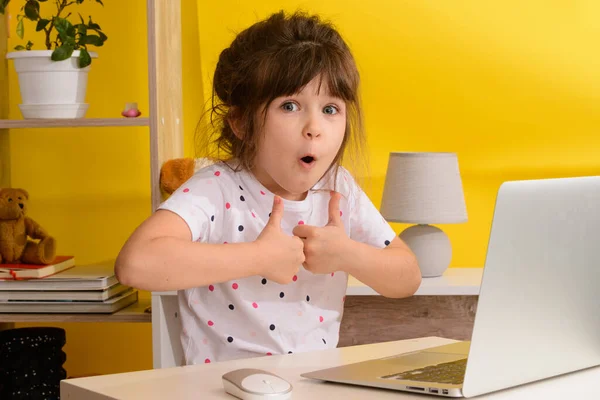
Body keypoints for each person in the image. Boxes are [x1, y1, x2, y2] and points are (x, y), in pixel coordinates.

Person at [115, 10, 421, 365]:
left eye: (331, 109)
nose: (314, 127)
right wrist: (260, 257)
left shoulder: (338, 191)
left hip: (311, 385)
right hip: (220, 389)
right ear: (242, 123)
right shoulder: (217, 189)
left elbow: (407, 277)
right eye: (289, 106)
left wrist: (347, 254)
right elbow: (135, 265)